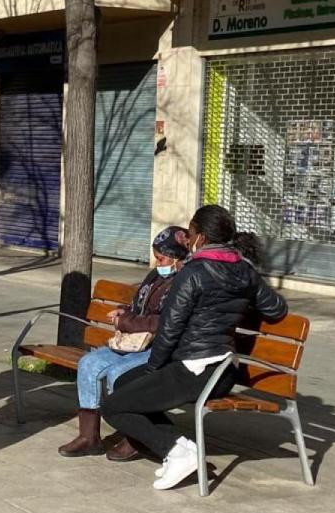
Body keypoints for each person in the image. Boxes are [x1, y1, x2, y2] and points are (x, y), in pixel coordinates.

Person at [101, 205, 288, 490]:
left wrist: (153, 368)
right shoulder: (244, 270)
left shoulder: (193, 272)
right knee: (125, 381)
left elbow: (170, 328)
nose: (188, 240)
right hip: (223, 372)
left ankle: (177, 451)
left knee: (113, 406)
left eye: (189, 234)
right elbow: (276, 309)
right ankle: (181, 449)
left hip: (194, 370)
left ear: (200, 236)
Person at [58, 226, 190, 459]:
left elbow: (163, 322)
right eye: (156, 257)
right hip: (132, 342)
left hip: (157, 348)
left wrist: (126, 321)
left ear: (178, 257)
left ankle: (136, 437)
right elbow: (140, 307)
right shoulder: (155, 276)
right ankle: (89, 437)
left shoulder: (184, 282)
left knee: (118, 374)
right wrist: (124, 311)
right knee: (88, 363)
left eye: (162, 258)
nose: (158, 262)